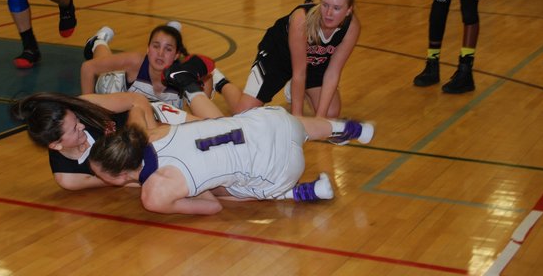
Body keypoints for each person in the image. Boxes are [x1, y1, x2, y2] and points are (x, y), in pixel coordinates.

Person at [88, 67, 375, 215]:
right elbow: (137, 106)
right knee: (282, 127)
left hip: (283, 171)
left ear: (122, 175)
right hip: (276, 122)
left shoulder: (153, 195)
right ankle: (346, 128)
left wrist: (193, 185)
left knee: (226, 188)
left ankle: (300, 193)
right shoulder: (145, 132)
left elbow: (211, 206)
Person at [10, 55, 222, 191]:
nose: (81, 125)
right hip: (148, 151)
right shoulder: (68, 177)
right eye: (74, 128)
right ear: (55, 144)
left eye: (77, 121)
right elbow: (125, 180)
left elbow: (137, 101)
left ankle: (200, 82)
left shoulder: (83, 105)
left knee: (218, 128)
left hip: (151, 117)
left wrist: (154, 135)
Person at [213, 0, 360, 118]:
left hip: (312, 63)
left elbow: (333, 73)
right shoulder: (301, 19)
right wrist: (297, 119)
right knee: (243, 114)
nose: (328, 13)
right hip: (278, 56)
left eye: (336, 8)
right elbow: (299, 73)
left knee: (330, 114)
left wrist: (320, 119)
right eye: (325, 5)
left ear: (348, 10)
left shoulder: (352, 27)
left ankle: (295, 89)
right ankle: (220, 82)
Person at [81, 21, 213, 113]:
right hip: (113, 89)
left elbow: (207, 81)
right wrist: (87, 111)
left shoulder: (184, 76)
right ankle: (98, 41)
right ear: (148, 49)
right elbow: (88, 68)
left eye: (168, 49)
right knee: (104, 66)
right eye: (156, 46)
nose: (160, 54)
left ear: (177, 54)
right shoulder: (136, 62)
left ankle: (170, 34)